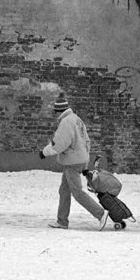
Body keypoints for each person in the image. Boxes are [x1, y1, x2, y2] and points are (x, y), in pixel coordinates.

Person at [39, 88, 111, 230]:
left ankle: (101, 213)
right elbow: (87, 141)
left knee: (77, 193)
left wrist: (44, 153)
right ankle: (62, 221)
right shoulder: (78, 120)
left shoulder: (66, 123)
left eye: (55, 112)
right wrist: (85, 159)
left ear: (59, 111)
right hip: (78, 159)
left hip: (72, 162)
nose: (55, 115)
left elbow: (58, 144)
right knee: (64, 191)